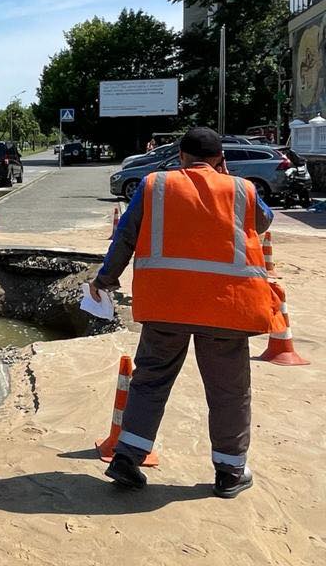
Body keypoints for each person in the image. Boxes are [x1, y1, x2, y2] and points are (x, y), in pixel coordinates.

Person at [89, 127, 285, 499]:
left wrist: (105, 278)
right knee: (229, 391)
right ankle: (229, 472)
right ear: (219, 160)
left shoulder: (153, 185)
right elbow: (263, 222)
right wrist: (224, 180)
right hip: (227, 308)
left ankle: (127, 456)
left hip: (166, 305)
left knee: (150, 381)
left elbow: (125, 237)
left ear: (180, 156)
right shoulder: (241, 189)